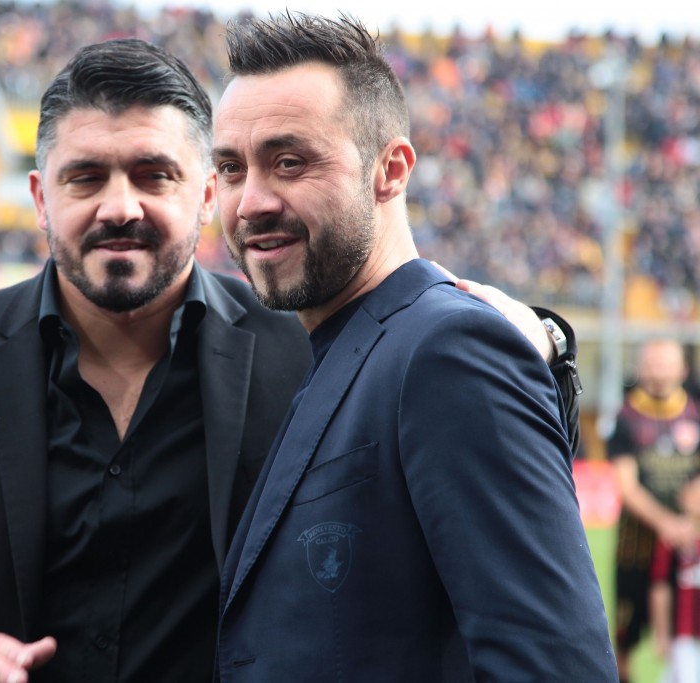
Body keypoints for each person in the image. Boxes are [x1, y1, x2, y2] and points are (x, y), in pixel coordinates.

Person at [0, 38, 584, 683]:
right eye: (85, 177)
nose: (119, 206)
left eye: (154, 174)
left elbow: (474, 507)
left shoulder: (304, 355)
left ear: (204, 195)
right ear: (40, 198)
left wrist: (540, 343)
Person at [211, 13, 616, 681]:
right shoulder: (339, 348)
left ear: (390, 170)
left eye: (290, 162)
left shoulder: (448, 348)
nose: (250, 201)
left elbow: (552, 664)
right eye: (231, 168)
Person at [609, 338, 700, 682]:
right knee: (624, 639)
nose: (659, 373)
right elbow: (627, 486)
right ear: (640, 368)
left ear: (683, 369)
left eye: (666, 364)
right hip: (637, 544)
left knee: (688, 632)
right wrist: (667, 524)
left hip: (690, 542)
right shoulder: (625, 417)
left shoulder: (695, 411)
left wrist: (689, 520)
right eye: (652, 364)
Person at [650, 473, 700, 683]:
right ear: (684, 497)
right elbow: (660, 588)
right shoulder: (672, 539)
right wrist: (661, 634)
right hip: (684, 632)